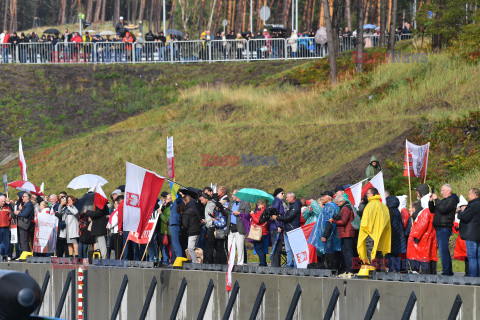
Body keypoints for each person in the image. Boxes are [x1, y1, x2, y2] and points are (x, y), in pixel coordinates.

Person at [357, 188, 391, 271]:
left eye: (367, 193)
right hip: (381, 234)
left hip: (371, 233)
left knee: (371, 253)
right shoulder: (383, 206)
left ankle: (372, 272)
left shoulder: (370, 205)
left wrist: (366, 231)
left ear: (372, 194)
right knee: (379, 252)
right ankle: (380, 272)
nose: (366, 195)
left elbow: (366, 221)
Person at [429, 184, 459, 276]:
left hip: (444, 227)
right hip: (440, 227)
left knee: (443, 251)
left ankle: (447, 271)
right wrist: (431, 201)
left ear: (448, 191)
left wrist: (436, 199)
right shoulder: (445, 201)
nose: (441, 192)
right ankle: (447, 270)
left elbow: (443, 209)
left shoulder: (452, 200)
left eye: (443, 190)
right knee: (443, 250)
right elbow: (433, 210)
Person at [407, 190, 437, 274]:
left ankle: (425, 274)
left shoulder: (425, 211)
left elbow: (421, 225)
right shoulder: (431, 211)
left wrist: (416, 236)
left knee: (423, 257)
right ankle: (431, 272)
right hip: (428, 236)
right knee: (430, 256)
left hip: (423, 238)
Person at [272, 192, 301, 267]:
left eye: (288, 197)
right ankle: (289, 264)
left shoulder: (296, 206)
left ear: (292, 198)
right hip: (287, 230)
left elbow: (289, 217)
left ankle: (295, 265)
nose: (286, 198)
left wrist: (277, 218)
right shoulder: (290, 205)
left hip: (293, 230)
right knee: (288, 250)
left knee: (295, 249)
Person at [458, 188, 480, 277]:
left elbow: (465, 217)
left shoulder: (473, 205)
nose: (468, 195)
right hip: (478, 234)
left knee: (472, 258)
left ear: (475, 195)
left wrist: (460, 211)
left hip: (471, 234)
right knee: (478, 258)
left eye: (469, 194)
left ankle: (473, 277)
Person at [331, 195, 355, 277]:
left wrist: (334, 221)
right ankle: (347, 270)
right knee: (345, 252)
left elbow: (343, 221)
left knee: (348, 252)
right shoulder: (345, 207)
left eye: (337, 204)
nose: (337, 206)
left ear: (341, 201)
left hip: (347, 232)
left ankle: (351, 270)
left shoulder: (345, 208)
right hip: (345, 233)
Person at [226, 190, 250, 265]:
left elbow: (248, 214)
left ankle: (240, 263)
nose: (232, 196)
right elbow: (227, 213)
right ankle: (231, 262)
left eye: (233, 195)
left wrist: (239, 213)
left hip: (240, 228)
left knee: (240, 247)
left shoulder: (245, 203)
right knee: (229, 246)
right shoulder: (231, 203)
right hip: (231, 227)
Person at [385, 192, 407, 272]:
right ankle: (397, 269)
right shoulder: (397, 211)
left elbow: (389, 223)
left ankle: (392, 269)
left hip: (392, 234)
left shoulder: (390, 211)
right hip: (398, 235)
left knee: (391, 253)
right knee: (396, 253)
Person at [84, 194, 109, 259]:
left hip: (100, 227)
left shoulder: (102, 206)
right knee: (97, 243)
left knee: (102, 243)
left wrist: (87, 212)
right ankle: (99, 257)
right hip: (98, 228)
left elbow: (96, 214)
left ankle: (104, 257)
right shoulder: (100, 205)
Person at [269, 188, 286, 267]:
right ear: (277, 194)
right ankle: (275, 266)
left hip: (276, 227)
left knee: (278, 247)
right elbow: (274, 214)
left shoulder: (278, 201)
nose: (283, 195)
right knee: (276, 248)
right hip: (276, 227)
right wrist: (278, 226)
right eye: (282, 193)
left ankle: (276, 265)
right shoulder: (277, 201)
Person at [250, 199, 269, 266]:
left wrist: (252, 214)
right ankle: (263, 262)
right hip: (263, 231)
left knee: (258, 248)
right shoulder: (264, 211)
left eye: (259, 204)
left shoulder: (262, 212)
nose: (257, 205)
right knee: (261, 247)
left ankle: (262, 263)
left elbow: (257, 220)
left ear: (262, 204)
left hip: (260, 232)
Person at [200, 193, 217, 264]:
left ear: (206, 199)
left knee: (209, 244)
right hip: (209, 226)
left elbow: (211, 215)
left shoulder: (210, 204)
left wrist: (208, 222)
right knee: (209, 244)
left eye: (202, 200)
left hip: (211, 227)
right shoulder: (208, 205)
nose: (201, 202)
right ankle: (209, 259)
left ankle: (209, 260)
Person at [454, 196, 468, 275]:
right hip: (462, 239)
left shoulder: (467, 214)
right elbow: (455, 228)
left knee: (469, 257)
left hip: (467, 238)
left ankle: (469, 272)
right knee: (467, 258)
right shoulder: (459, 215)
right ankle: (467, 272)